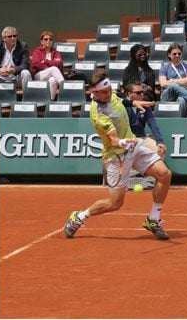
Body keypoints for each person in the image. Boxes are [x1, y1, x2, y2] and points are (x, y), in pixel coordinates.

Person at [62, 72, 172, 240]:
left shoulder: (110, 93)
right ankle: (79, 216)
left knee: (164, 175)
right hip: (116, 157)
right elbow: (114, 141)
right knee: (115, 204)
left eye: (109, 89)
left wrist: (134, 101)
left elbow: (120, 99)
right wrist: (125, 143)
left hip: (135, 146)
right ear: (94, 93)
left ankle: (153, 219)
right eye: (104, 92)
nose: (108, 93)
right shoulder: (98, 113)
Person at [158, 43, 187, 108]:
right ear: (169, 55)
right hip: (167, 95)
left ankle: (180, 117)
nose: (177, 55)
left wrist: (172, 81)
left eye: (179, 53)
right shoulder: (164, 68)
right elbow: (163, 83)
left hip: (182, 95)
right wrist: (180, 82)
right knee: (173, 86)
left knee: (181, 100)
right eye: (174, 54)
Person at [30, 30, 64, 99]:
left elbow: (60, 63)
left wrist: (46, 61)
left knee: (53, 80)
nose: (48, 41)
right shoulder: (37, 51)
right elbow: (36, 63)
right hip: (39, 75)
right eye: (46, 39)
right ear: (41, 41)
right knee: (53, 69)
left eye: (50, 39)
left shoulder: (55, 52)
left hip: (50, 75)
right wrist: (51, 65)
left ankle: (50, 100)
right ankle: (65, 88)